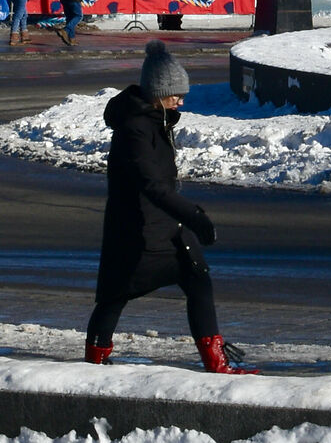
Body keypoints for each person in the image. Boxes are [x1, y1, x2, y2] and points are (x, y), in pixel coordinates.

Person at [84, 42, 255, 374]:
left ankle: (217, 364)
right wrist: (193, 215)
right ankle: (94, 362)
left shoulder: (154, 120)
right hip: (139, 229)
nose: (182, 100)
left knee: (197, 279)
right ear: (158, 92)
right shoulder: (135, 128)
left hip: (164, 227)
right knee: (116, 294)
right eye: (176, 93)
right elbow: (152, 184)